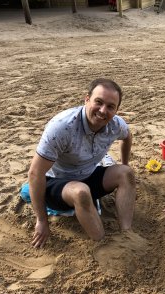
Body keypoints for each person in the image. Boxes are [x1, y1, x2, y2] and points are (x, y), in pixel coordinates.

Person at [28, 78, 135, 249]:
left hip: (88, 174)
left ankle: (127, 233)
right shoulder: (62, 127)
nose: (102, 110)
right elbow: (35, 173)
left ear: (116, 110)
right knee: (81, 192)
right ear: (87, 99)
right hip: (56, 183)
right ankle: (103, 244)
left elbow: (127, 136)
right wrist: (41, 220)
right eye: (98, 102)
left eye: (110, 106)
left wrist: (125, 163)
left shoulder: (116, 125)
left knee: (126, 173)